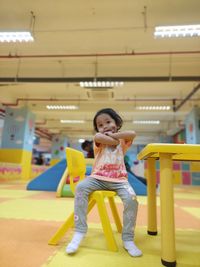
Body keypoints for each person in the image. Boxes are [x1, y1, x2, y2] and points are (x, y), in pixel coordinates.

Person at [66, 108, 142, 257]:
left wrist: (116, 134)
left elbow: (132, 133)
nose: (105, 126)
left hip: (120, 180)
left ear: (117, 123)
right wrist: (113, 136)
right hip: (97, 178)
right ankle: (79, 231)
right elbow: (103, 138)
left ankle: (128, 239)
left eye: (108, 122)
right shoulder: (98, 139)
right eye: (100, 125)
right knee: (81, 187)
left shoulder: (123, 140)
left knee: (132, 199)